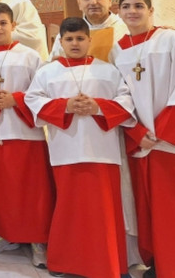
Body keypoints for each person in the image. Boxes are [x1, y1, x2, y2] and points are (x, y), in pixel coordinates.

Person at [26, 17, 135, 277]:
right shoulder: (47, 71)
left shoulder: (107, 70)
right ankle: (66, 262)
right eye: (69, 39)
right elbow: (33, 99)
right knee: (69, 209)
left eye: (80, 38)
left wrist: (98, 107)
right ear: (60, 42)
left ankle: (108, 263)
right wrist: (65, 105)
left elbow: (127, 101)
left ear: (89, 40)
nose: (75, 43)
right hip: (66, 150)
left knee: (104, 212)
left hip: (102, 151)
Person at [0, 3, 54, 267]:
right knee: (1, 188)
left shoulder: (30, 56)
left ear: (13, 26)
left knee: (32, 187)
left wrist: (16, 100)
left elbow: (43, 92)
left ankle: (38, 240)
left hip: (25, 131)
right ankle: (5, 234)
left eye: (3, 23)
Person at [111, 0, 175, 278]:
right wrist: (137, 131)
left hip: (171, 142)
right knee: (148, 211)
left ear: (151, 10)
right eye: (127, 6)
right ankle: (158, 264)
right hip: (142, 142)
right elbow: (121, 96)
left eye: (139, 6)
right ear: (118, 11)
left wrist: (166, 131)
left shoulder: (172, 39)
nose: (132, 11)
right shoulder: (117, 49)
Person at [50, 0, 128, 61]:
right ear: (79, 3)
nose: (93, 2)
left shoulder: (126, 30)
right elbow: (55, 65)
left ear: (109, 0)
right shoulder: (68, 34)